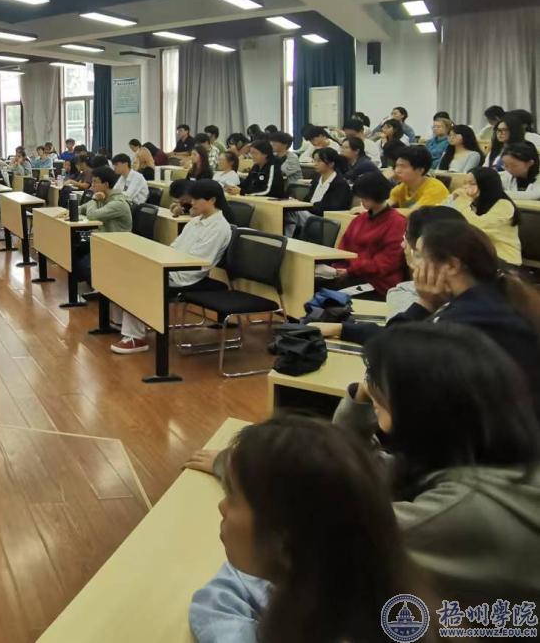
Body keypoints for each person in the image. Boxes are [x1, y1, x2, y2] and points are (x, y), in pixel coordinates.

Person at [333, 324, 540, 600]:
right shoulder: (501, 464)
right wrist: (363, 398)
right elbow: (366, 470)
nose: (371, 386)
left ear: (423, 405)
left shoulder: (456, 510)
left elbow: (333, 530)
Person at [185, 414, 420, 643]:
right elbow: (223, 595)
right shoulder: (327, 576)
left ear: (284, 537)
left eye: (232, 497)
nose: (222, 506)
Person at [319, 221, 540, 400]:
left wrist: (424, 303)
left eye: (419, 255)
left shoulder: (467, 319)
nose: (413, 264)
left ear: (451, 265)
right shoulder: (492, 298)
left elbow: (389, 356)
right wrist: (343, 329)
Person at [110, 180, 233, 354]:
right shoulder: (196, 221)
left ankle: (135, 337)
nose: (191, 203)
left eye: (196, 199)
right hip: (173, 266)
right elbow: (175, 247)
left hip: (186, 275)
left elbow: (198, 262)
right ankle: (121, 324)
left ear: (212, 200)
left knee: (138, 281)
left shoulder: (219, 228)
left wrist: (163, 264)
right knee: (124, 270)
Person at [320, 171, 408, 297]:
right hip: (353, 274)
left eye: (364, 198)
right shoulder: (359, 219)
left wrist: (350, 271)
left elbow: (387, 263)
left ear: (376, 196)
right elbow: (343, 248)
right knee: (314, 284)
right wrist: (337, 269)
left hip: (378, 283)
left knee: (329, 297)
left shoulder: (397, 222)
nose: (361, 201)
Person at [71, 167, 132, 288]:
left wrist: (94, 199)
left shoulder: (118, 203)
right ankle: (88, 281)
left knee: (82, 259)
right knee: (74, 246)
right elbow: (81, 208)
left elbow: (92, 215)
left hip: (116, 243)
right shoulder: (102, 196)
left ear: (106, 184)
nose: (92, 185)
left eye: (95, 182)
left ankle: (100, 285)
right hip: (100, 238)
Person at [451, 166, 521, 264]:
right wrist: (451, 200)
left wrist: (462, 202)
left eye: (472, 184)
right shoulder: (472, 203)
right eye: (465, 183)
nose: (466, 187)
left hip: (504, 261)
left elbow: (477, 228)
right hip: (478, 258)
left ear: (486, 185)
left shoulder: (504, 205)